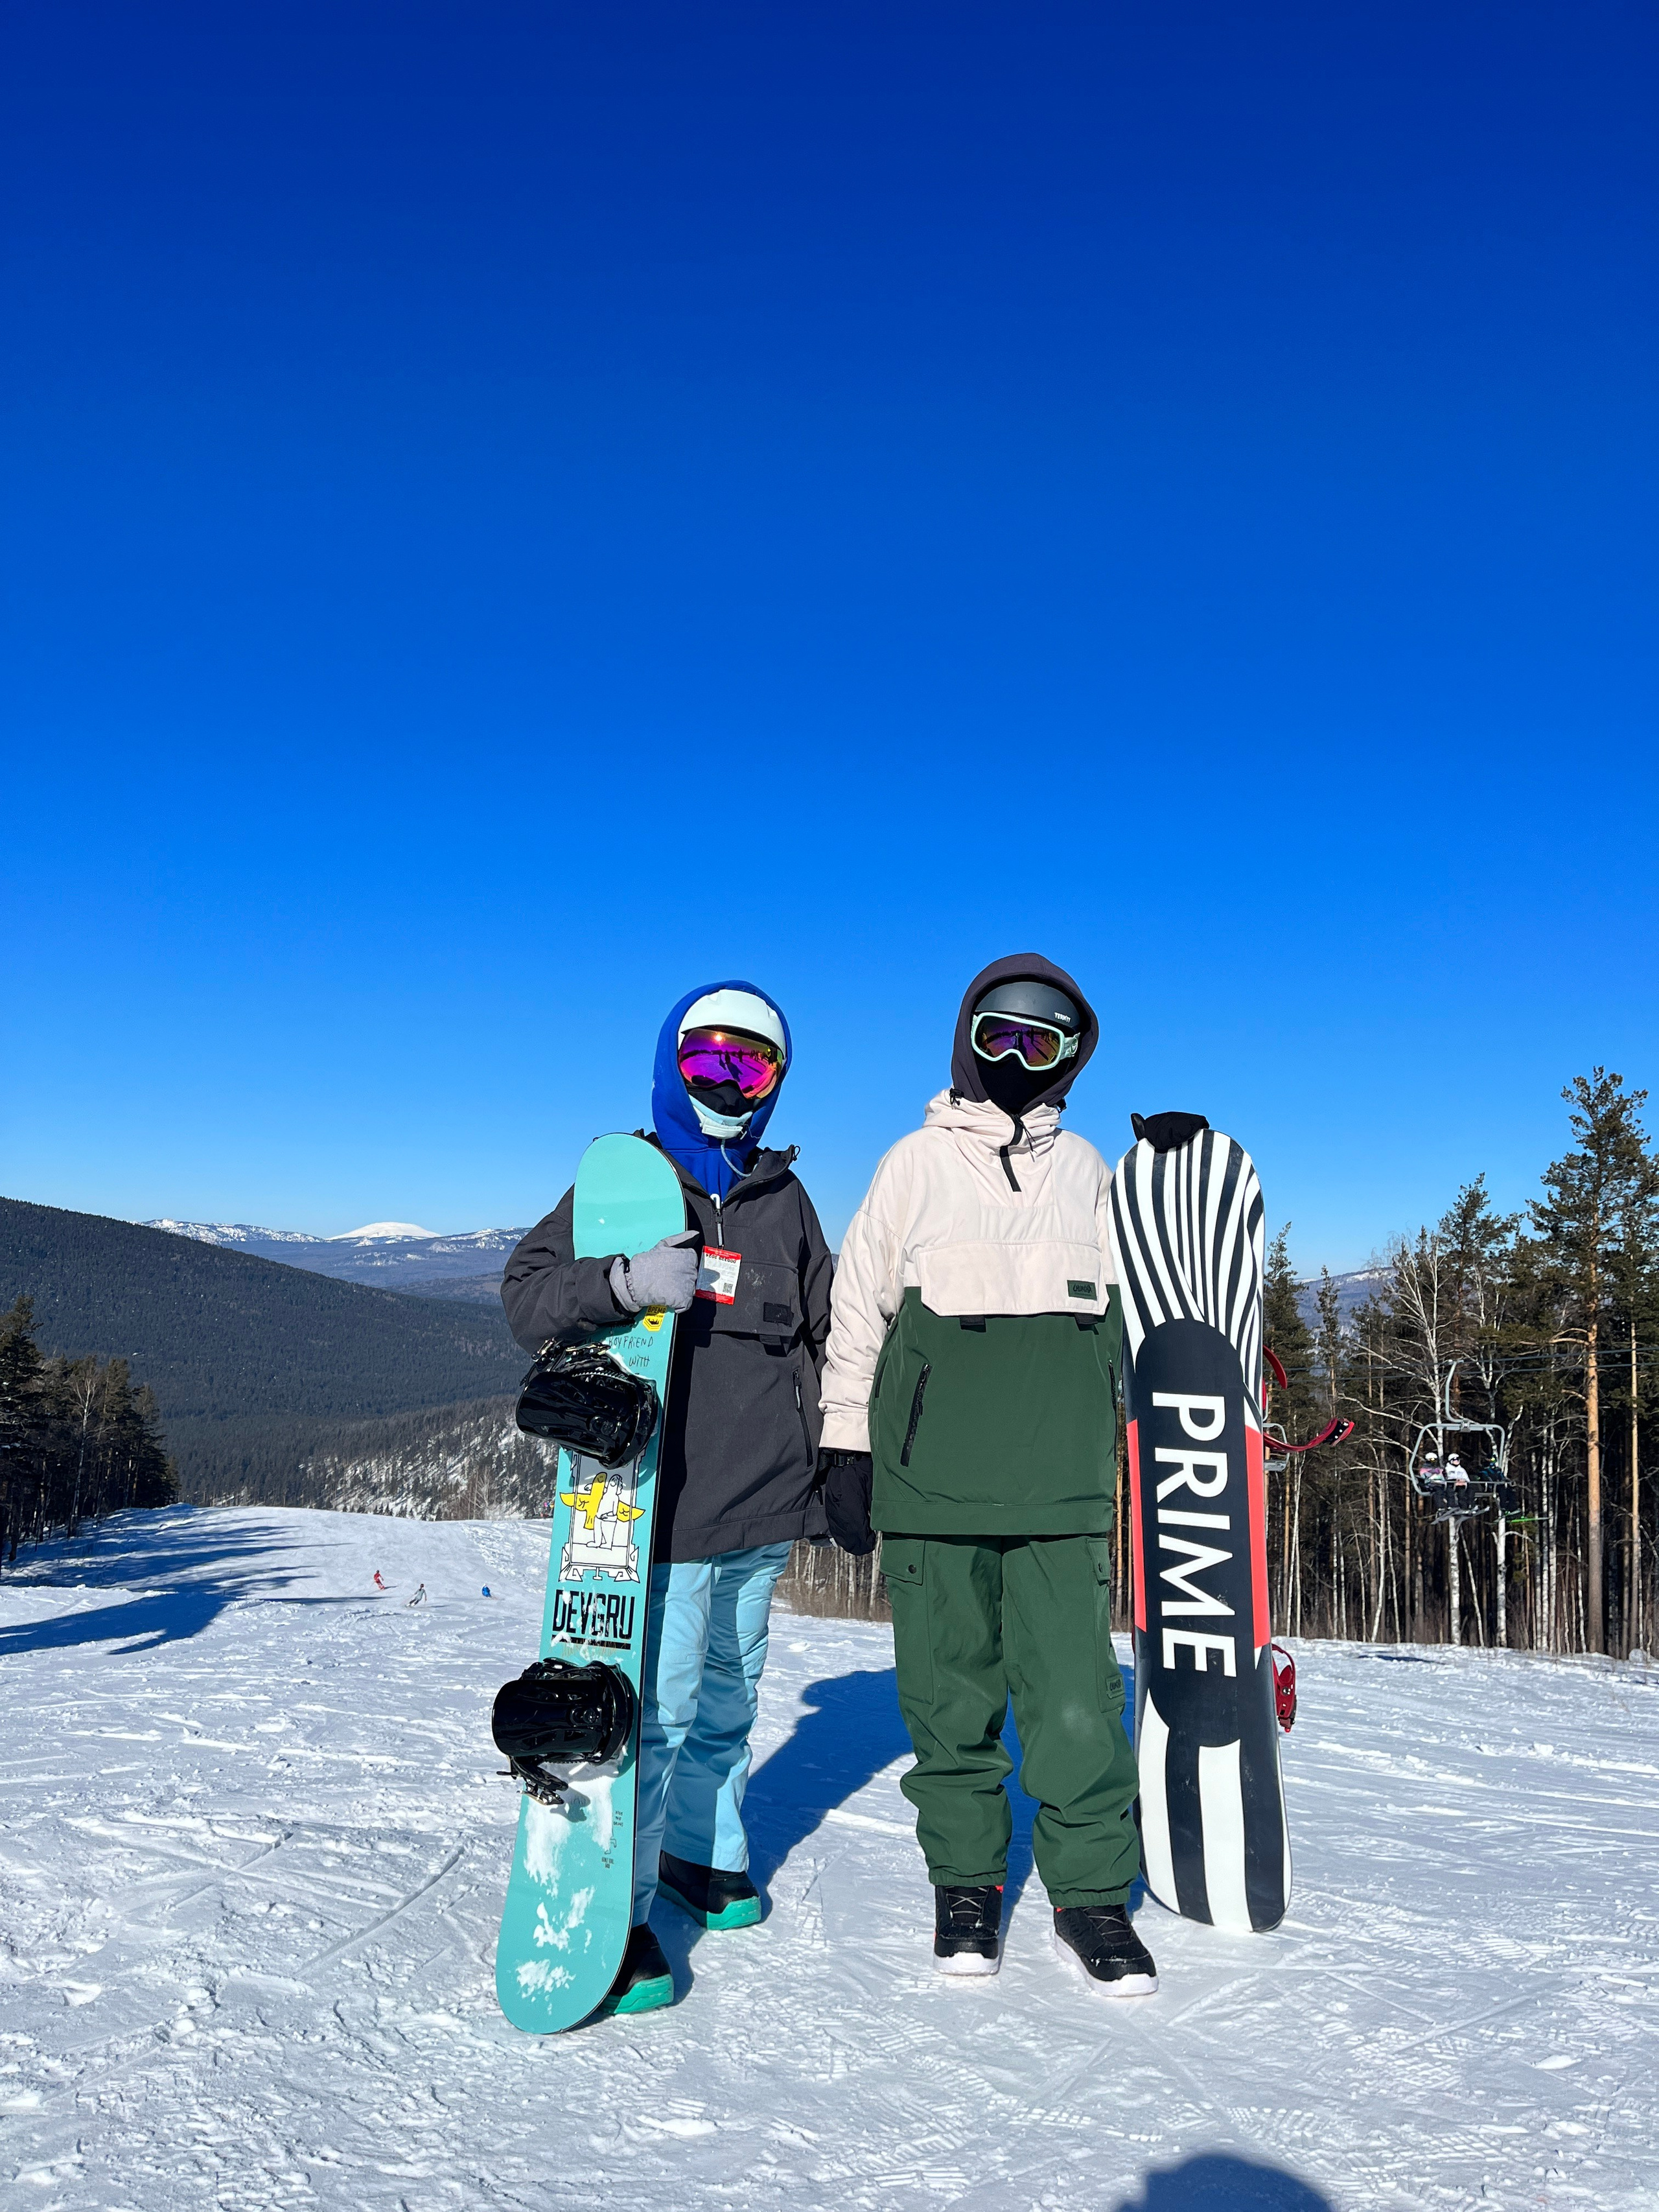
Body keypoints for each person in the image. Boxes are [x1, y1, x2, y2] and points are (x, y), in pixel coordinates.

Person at [816, 955, 1155, 1999]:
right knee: (948, 1701)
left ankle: (1090, 1892)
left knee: (1077, 1705)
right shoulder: (913, 1164)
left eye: (1040, 1041)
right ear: (966, 1039)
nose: (1015, 1057)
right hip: (932, 1486)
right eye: (997, 1034)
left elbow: (1145, 1304)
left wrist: (1168, 1180)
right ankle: (966, 1884)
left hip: (1062, 1486)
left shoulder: (1089, 1170)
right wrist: (845, 1443)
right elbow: (858, 1309)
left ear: (1071, 1058)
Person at [502, 981, 833, 2015]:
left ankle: (702, 1851)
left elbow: (826, 1333)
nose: (730, 1084)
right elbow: (524, 1296)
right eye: (709, 1061)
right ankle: (625, 1904)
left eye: (752, 1065)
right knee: (664, 1709)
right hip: (667, 1509)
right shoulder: (628, 1184)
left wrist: (840, 1459)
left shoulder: (786, 1200)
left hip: (765, 1500)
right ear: (671, 1064)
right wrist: (621, 1283)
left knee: (730, 1700)